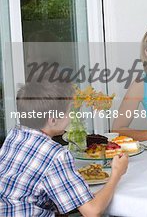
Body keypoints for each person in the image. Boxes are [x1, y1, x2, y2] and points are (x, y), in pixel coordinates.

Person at [0, 77, 129, 217]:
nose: (71, 116)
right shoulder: (56, 155)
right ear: (53, 120)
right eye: (69, 111)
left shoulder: (15, 135)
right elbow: (92, 211)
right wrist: (117, 173)